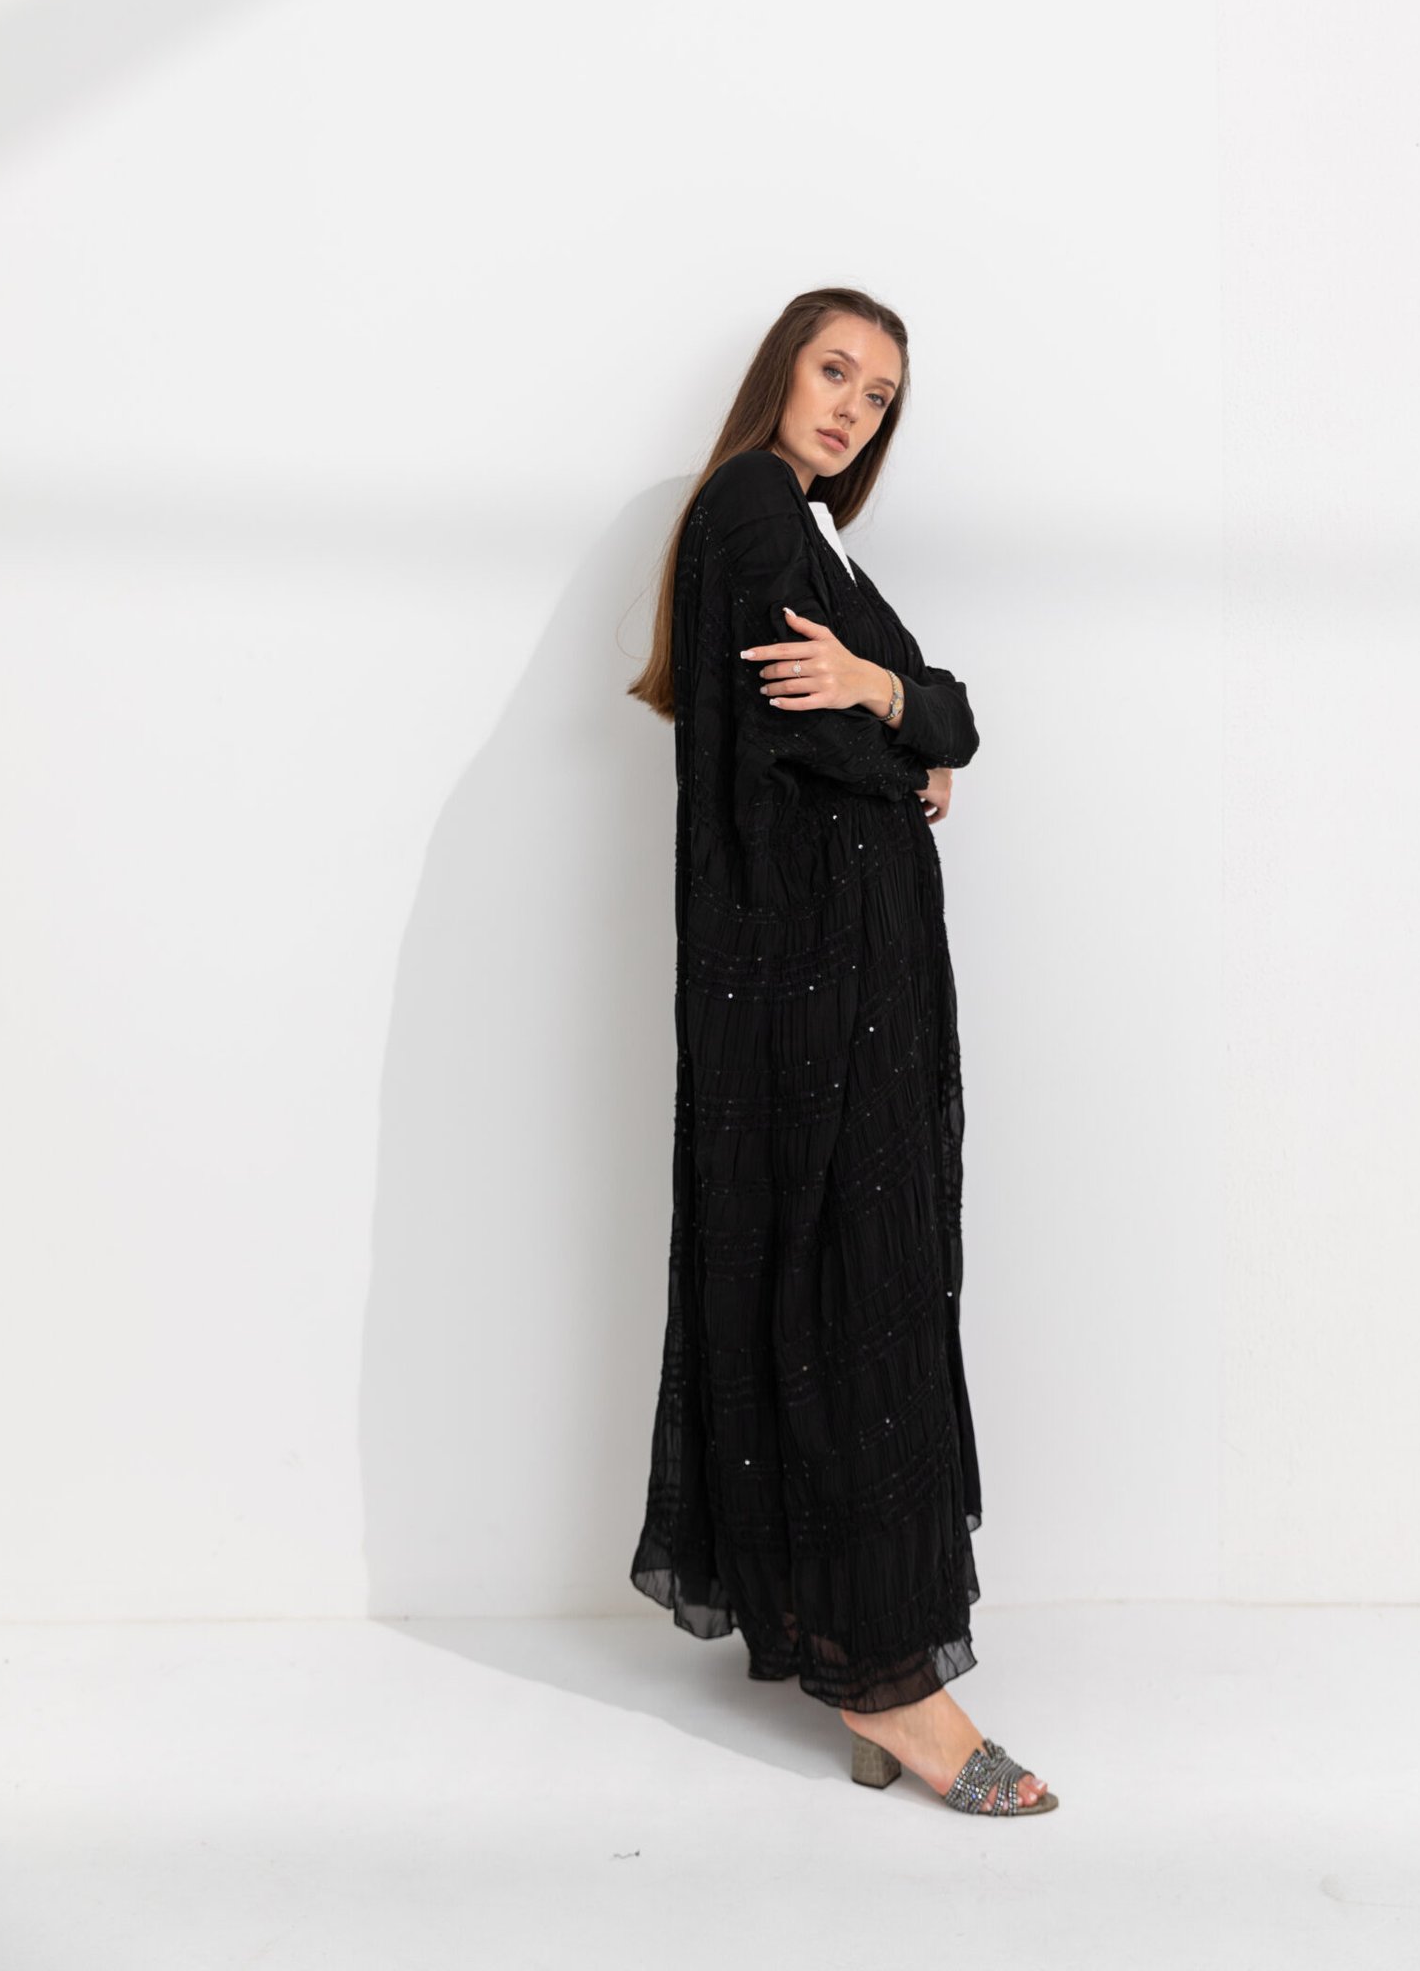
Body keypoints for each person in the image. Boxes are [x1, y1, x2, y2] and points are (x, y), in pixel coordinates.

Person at [626, 287, 1056, 1817]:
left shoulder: (818, 539)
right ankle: (891, 1684)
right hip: (811, 979)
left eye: (878, 397)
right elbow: (806, 729)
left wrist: (891, 702)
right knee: (844, 1293)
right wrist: (899, 726)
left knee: (867, 1291)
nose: (850, 409)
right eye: (834, 372)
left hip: (856, 971)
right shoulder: (751, 504)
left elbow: (951, 718)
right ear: (780, 372)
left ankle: (870, 1654)